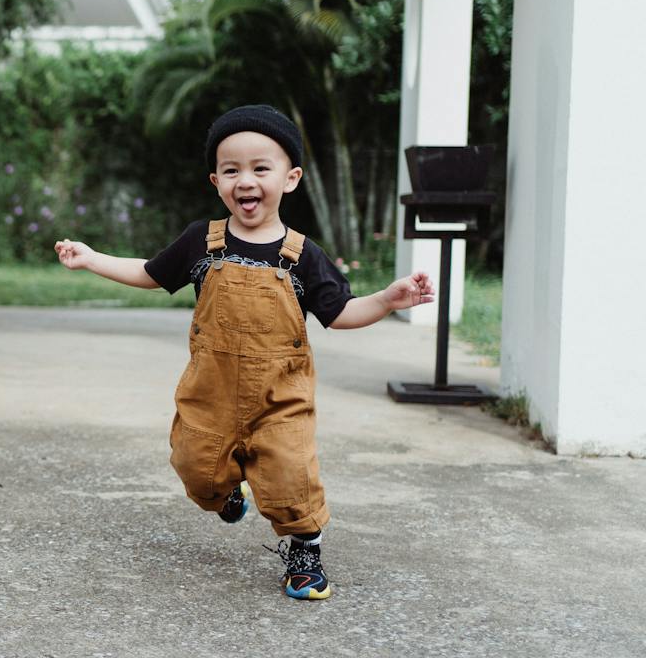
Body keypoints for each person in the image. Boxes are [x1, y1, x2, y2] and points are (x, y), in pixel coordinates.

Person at [53, 104, 433, 600]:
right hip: (210, 393)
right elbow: (150, 272)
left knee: (291, 479)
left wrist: (386, 299)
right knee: (195, 469)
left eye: (260, 168)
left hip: (280, 399)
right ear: (216, 181)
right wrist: (92, 259)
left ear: (290, 178)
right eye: (231, 170)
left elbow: (340, 314)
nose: (245, 180)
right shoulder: (201, 243)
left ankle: (304, 548)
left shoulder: (302, 255)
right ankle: (229, 493)